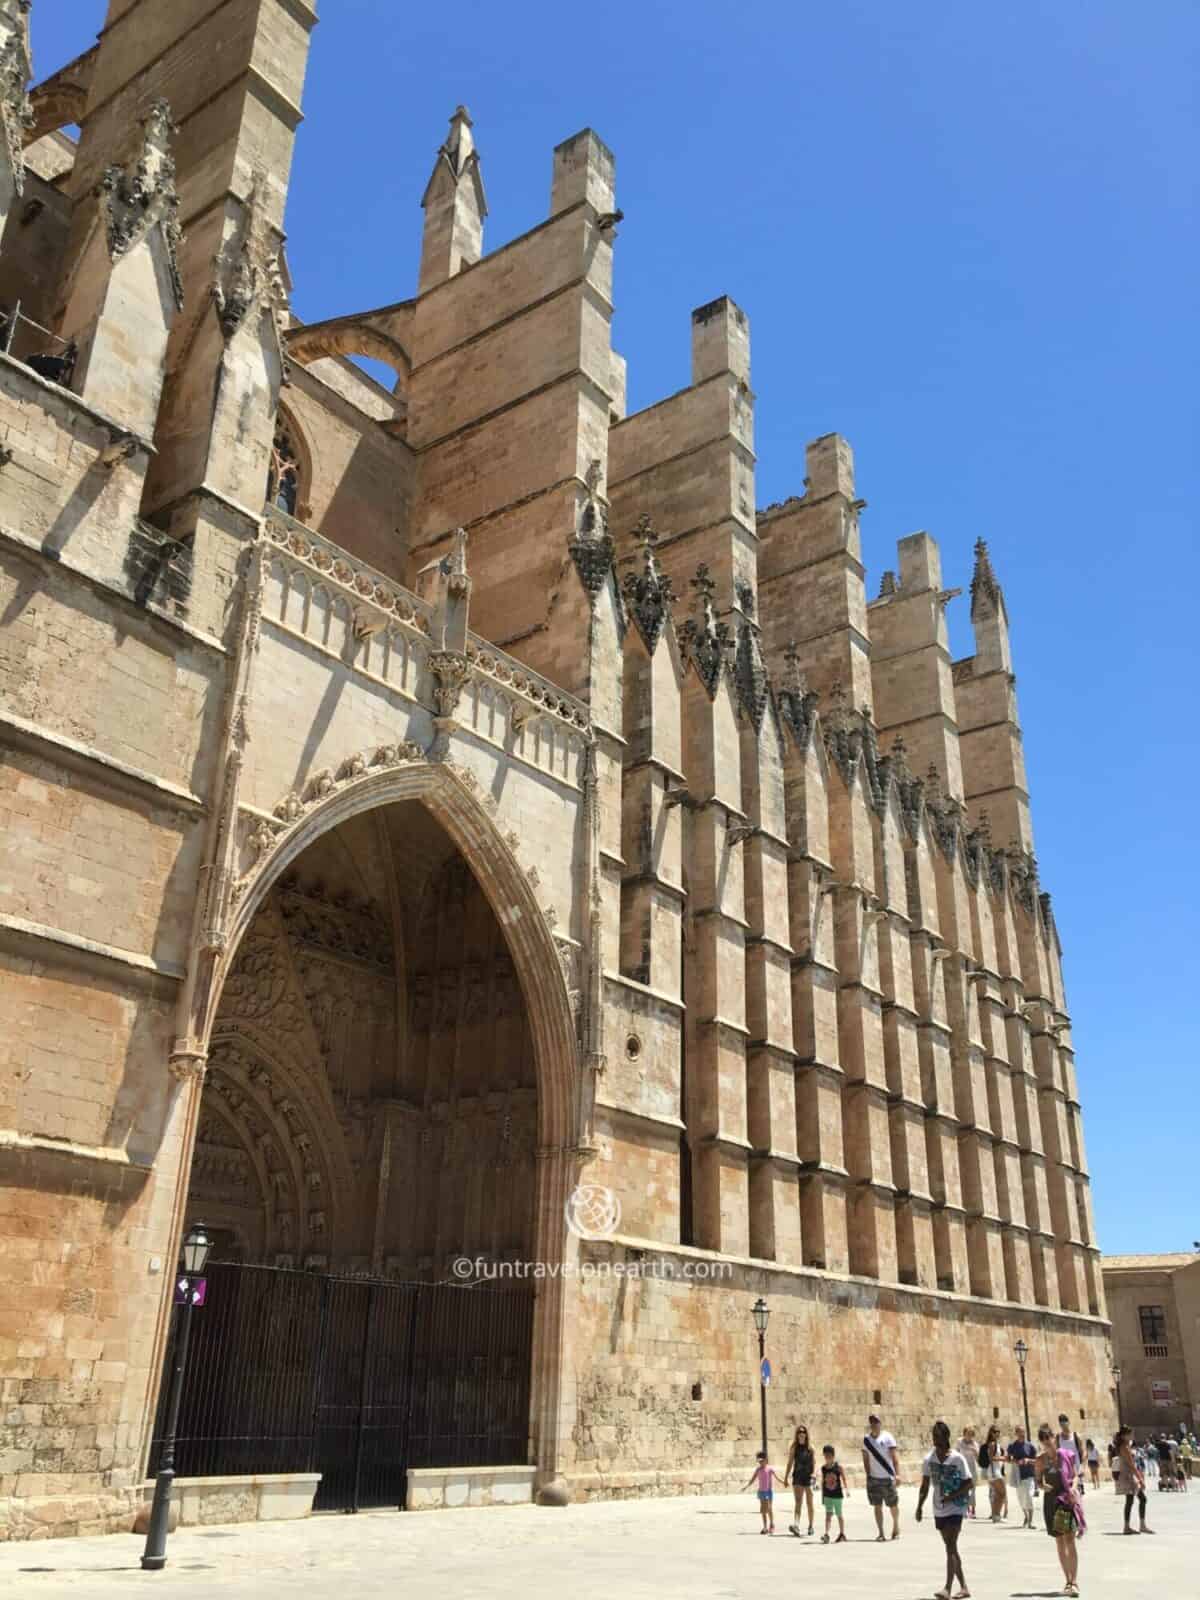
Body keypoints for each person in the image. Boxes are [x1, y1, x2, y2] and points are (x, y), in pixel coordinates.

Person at [916, 1420, 973, 1600]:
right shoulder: (928, 1459)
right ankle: (964, 1587)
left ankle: (947, 1589)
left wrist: (952, 1496)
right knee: (951, 1549)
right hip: (938, 1508)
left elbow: (969, 1483)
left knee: (950, 1546)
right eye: (933, 1436)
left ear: (945, 1437)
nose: (934, 1440)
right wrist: (919, 1506)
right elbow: (924, 1486)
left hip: (956, 1507)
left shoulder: (957, 1458)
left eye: (937, 1436)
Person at [1041, 1441, 1086, 1598]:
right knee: (1060, 1542)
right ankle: (1067, 1581)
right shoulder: (1041, 1459)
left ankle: (1074, 1582)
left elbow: (1075, 1476)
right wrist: (1042, 1485)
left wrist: (1073, 1488)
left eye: (1050, 1442)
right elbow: (1039, 1480)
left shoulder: (1065, 1456)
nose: (1048, 1446)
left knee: (1070, 1540)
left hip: (1066, 1501)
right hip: (1051, 1503)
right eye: (1044, 1443)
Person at [861, 1412, 901, 1541]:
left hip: (888, 1477)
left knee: (893, 1505)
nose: (874, 1425)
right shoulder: (866, 1440)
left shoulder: (888, 1437)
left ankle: (895, 1525)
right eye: (872, 1422)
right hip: (874, 1478)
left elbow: (895, 1458)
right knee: (877, 1506)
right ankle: (881, 1532)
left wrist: (898, 1475)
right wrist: (868, 1476)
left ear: (880, 1423)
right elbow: (865, 1459)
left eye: (876, 1422)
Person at [1113, 1425, 1152, 1535]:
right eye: (1130, 1434)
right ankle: (1139, 1526)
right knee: (1140, 1499)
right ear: (1125, 1435)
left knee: (1131, 1500)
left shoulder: (1123, 1446)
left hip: (1127, 1475)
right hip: (1128, 1476)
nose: (1132, 1436)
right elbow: (1131, 1465)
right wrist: (1140, 1479)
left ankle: (1130, 1526)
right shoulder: (1124, 1447)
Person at [784, 1422, 815, 1537]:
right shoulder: (794, 1447)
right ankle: (796, 1525)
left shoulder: (811, 1448)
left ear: (806, 1434)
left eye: (803, 1432)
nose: (801, 1434)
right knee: (798, 1502)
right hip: (797, 1476)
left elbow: (814, 1463)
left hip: (808, 1477)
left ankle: (811, 1526)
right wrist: (786, 1477)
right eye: (799, 1432)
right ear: (797, 1434)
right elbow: (790, 1462)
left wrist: (814, 1474)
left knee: (809, 1503)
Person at [742, 1449, 784, 1534]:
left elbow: (777, 1477)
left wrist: (784, 1482)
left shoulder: (770, 1469)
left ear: (766, 1460)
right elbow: (752, 1479)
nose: (760, 1463)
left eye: (762, 1461)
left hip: (768, 1491)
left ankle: (772, 1524)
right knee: (763, 1510)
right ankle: (765, 1527)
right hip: (761, 1492)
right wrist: (746, 1486)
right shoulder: (758, 1470)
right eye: (759, 1461)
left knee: (769, 1508)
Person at [1007, 1423, 1039, 1528]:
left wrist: (1028, 1460)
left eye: (1023, 1431)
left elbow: (1037, 1461)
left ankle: (1031, 1522)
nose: (1022, 1434)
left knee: (1029, 1496)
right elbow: (1008, 1458)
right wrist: (1015, 1461)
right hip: (1018, 1475)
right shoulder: (1012, 1446)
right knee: (1021, 1499)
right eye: (1020, 1432)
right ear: (1016, 1433)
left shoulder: (1030, 1446)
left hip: (1029, 1474)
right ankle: (1026, 1516)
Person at [819, 1444, 849, 1543]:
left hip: (837, 1496)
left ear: (833, 1456)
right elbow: (823, 1482)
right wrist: (822, 1496)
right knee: (828, 1515)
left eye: (829, 1455)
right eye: (825, 1455)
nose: (827, 1457)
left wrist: (846, 1489)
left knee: (839, 1514)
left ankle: (842, 1533)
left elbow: (844, 1478)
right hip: (828, 1495)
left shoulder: (838, 1467)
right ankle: (826, 1534)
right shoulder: (823, 1468)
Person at [1056, 1413, 1086, 1496]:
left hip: (1076, 1469)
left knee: (1077, 1493)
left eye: (1065, 1421)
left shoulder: (1076, 1436)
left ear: (1068, 1422)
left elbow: (1083, 1452)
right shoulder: (1058, 1437)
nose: (1063, 1424)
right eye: (1061, 1422)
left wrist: (1082, 1467)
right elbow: (1057, 1453)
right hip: (1064, 1470)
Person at [957, 1424, 980, 1517]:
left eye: (971, 1434)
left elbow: (978, 1458)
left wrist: (975, 1451)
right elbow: (957, 1452)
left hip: (972, 1468)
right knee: (964, 1489)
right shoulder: (959, 1441)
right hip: (963, 1467)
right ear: (964, 1433)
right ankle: (966, 1509)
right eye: (968, 1433)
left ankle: (973, 1509)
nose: (969, 1436)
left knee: (973, 1489)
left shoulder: (975, 1444)